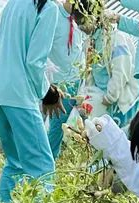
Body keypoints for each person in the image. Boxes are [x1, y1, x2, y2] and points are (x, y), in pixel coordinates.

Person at [0, 0, 61, 203]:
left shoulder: (13, 4)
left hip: (1, 92)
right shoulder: (48, 8)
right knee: (42, 166)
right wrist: (48, 93)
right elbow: (34, 62)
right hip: (20, 96)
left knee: (16, 163)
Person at [44, 1, 88, 159]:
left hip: (75, 82)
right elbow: (42, 48)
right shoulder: (53, 14)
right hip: (57, 84)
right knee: (52, 127)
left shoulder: (79, 20)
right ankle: (46, 162)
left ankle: (51, 160)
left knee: (62, 126)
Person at [83, 16, 139, 127]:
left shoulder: (116, 38)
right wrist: (90, 93)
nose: (80, 26)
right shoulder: (91, 41)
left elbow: (121, 71)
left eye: (81, 20)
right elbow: (91, 71)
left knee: (120, 133)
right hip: (104, 98)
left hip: (121, 100)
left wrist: (110, 97)